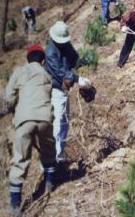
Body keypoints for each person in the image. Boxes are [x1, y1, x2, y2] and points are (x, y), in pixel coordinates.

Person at [3, 45, 56, 214]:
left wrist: (12, 109)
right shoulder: (46, 74)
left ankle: (15, 205)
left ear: (28, 59)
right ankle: (49, 185)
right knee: (48, 151)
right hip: (45, 118)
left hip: (24, 119)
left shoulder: (19, 72)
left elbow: (9, 97)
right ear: (43, 60)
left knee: (19, 160)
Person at [45, 21, 91, 166]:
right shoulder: (50, 52)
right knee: (58, 124)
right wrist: (78, 78)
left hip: (64, 90)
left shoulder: (66, 45)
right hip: (55, 90)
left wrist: (86, 60)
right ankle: (53, 160)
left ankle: (59, 157)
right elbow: (60, 72)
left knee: (64, 123)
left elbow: (74, 59)